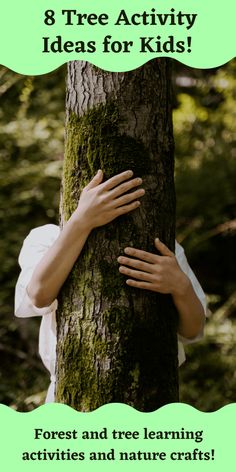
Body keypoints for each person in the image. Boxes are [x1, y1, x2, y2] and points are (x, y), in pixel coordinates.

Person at [14, 169, 206, 402]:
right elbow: (38, 294)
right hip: (73, 397)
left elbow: (193, 329)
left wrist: (181, 286)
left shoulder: (164, 245)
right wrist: (81, 221)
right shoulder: (48, 238)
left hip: (153, 397)